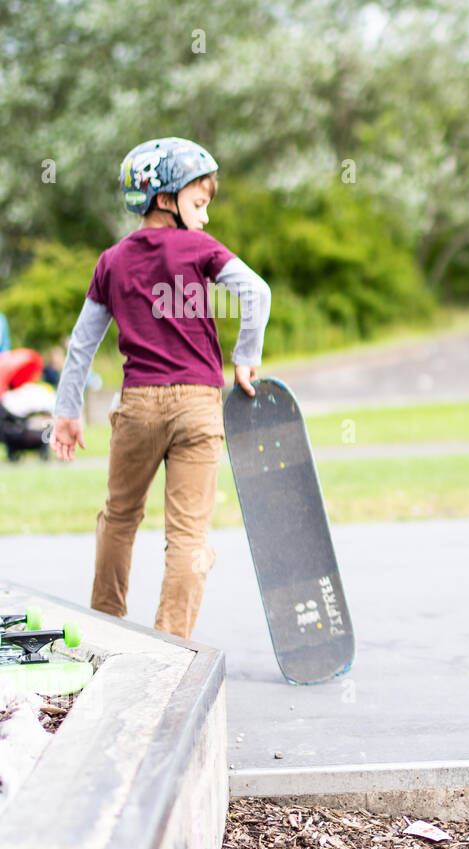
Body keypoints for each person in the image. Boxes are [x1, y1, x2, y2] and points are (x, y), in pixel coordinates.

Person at [51, 137, 271, 639]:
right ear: (165, 199)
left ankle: (105, 626)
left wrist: (66, 411)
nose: (206, 218)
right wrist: (245, 358)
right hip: (198, 404)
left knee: (119, 519)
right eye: (199, 204)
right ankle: (170, 647)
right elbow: (256, 293)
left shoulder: (112, 260)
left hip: (138, 407)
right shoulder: (200, 249)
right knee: (189, 538)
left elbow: (82, 345)